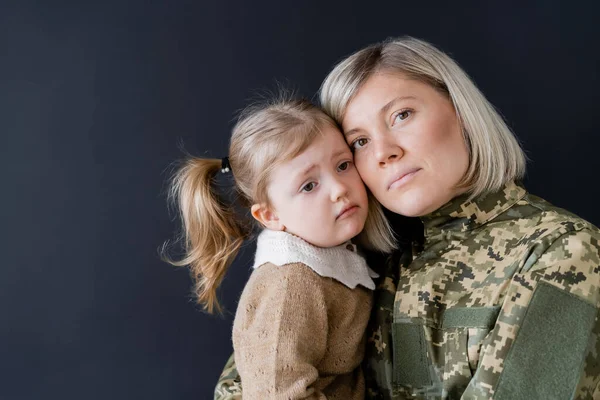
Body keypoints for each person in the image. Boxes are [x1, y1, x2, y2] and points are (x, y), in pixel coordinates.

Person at [214, 37, 600, 399]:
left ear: (460, 112)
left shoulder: (565, 252)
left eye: (401, 115)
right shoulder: (359, 264)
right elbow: (247, 385)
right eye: (359, 142)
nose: (384, 151)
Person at [164, 96, 397, 399]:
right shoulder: (291, 284)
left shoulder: (335, 256)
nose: (340, 189)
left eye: (343, 165)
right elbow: (276, 393)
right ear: (270, 216)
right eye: (309, 186)